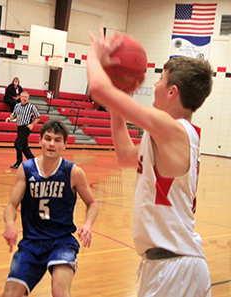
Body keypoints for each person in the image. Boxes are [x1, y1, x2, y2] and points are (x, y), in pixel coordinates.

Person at [87, 29, 213, 297]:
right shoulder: (167, 134)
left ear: (172, 92)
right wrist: (119, 102)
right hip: (171, 266)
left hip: (175, 268)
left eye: (160, 80)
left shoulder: (172, 128)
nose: (154, 85)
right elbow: (124, 154)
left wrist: (95, 57)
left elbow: (98, 89)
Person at [1, 120, 99, 297]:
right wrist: (9, 224)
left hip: (62, 242)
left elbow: (92, 203)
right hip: (31, 242)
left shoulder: (73, 172)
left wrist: (88, 224)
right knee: (10, 294)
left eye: (57, 140)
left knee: (59, 291)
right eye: (47, 138)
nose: (52, 144)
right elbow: (11, 205)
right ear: (40, 141)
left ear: (65, 144)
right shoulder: (26, 169)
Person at [5, 91, 41, 169]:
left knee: (17, 144)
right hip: (19, 127)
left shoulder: (31, 107)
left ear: (28, 98)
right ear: (20, 97)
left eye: (25, 97)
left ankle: (19, 162)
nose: (24, 98)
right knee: (24, 146)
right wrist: (9, 118)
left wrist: (32, 124)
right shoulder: (17, 106)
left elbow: (38, 117)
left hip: (26, 128)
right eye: (22, 96)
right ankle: (33, 162)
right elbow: (13, 115)